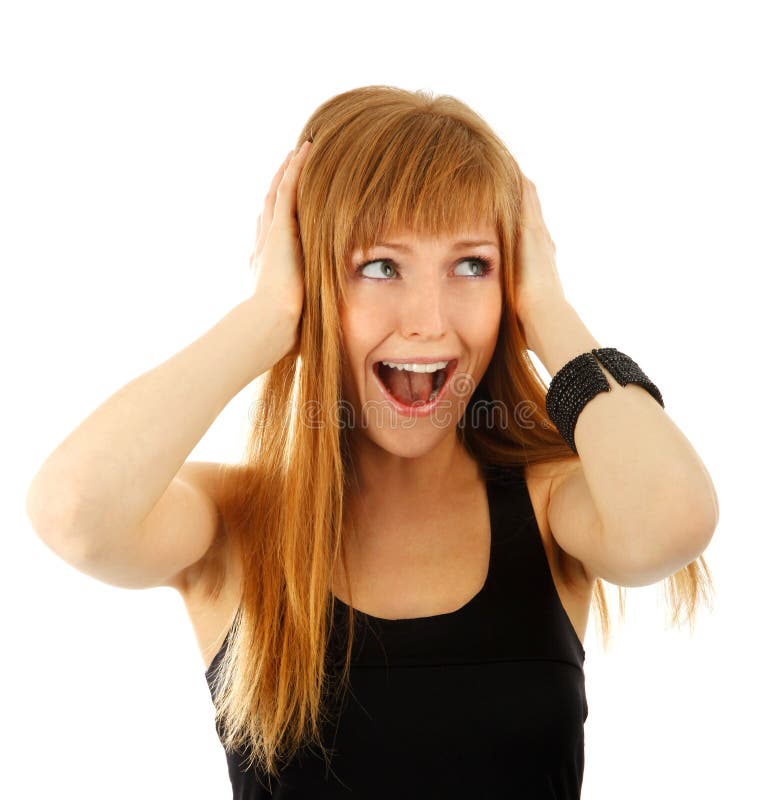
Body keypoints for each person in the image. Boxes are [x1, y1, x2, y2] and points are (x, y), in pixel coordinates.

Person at [26, 85, 718, 799]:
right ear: (310, 278)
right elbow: (74, 510)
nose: (428, 320)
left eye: (472, 266)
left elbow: (675, 516)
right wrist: (267, 316)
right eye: (381, 266)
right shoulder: (235, 525)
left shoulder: (555, 510)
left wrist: (550, 311)